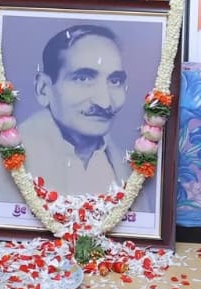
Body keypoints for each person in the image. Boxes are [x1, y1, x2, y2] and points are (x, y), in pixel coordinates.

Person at [15, 24, 133, 195]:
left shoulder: (126, 168)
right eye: (83, 78)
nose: (104, 102)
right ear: (43, 89)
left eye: (115, 81)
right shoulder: (8, 159)